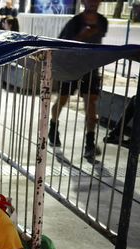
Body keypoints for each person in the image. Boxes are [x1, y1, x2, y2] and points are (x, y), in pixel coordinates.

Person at [47, 0, 108, 162]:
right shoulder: (75, 22)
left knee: (91, 103)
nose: (93, 3)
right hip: (71, 67)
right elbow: (63, 43)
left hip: (91, 68)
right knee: (62, 99)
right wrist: (82, 36)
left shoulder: (103, 21)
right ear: (83, 2)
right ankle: (53, 126)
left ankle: (89, 142)